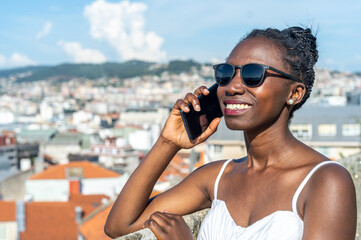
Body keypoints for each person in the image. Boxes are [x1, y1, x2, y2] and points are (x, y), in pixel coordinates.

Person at [104, 26, 357, 240]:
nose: (233, 86)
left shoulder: (326, 181)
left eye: (253, 75)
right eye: (225, 74)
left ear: (294, 93)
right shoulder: (216, 177)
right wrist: (168, 143)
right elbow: (119, 226)